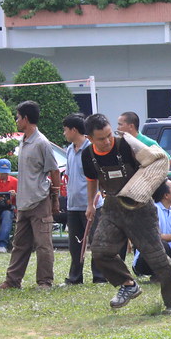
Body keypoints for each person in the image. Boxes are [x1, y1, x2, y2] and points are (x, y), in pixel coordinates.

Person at [82, 113, 171, 314]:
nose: (107, 141)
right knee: (100, 251)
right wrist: (90, 205)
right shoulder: (88, 155)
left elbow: (157, 164)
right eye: (101, 139)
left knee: (157, 258)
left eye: (109, 135)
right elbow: (92, 180)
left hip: (140, 209)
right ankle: (128, 284)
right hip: (112, 207)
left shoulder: (128, 145)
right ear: (90, 139)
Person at [0, 101, 61, 290]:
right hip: (23, 202)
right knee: (20, 244)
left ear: (26, 119)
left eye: (18, 117)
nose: (16, 120)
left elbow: (54, 172)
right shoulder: (23, 140)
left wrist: (55, 199)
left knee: (43, 244)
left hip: (39, 200)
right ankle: (12, 281)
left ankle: (45, 282)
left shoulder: (42, 143)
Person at [61, 114, 106, 284]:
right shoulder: (69, 150)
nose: (64, 133)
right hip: (73, 205)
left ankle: (99, 277)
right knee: (75, 244)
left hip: (92, 205)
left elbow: (96, 178)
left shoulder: (91, 149)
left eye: (65, 130)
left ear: (74, 130)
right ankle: (75, 277)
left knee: (96, 242)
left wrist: (91, 204)